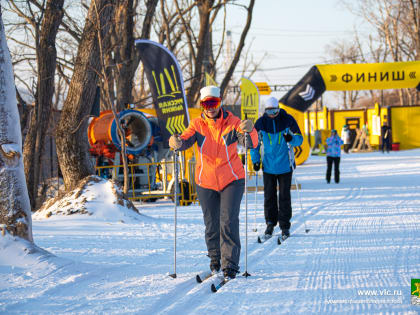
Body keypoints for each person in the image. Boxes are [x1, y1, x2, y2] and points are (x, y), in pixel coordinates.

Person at [168, 85, 258, 279]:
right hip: (205, 181)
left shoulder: (232, 122)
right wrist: (175, 142)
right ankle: (215, 260)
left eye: (213, 103)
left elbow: (250, 143)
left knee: (228, 221)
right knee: (211, 224)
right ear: (202, 105)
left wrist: (250, 131)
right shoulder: (197, 125)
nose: (210, 107)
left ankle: (230, 265)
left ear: (220, 102)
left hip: (232, 179)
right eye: (206, 103)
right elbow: (184, 141)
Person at [250, 97, 303, 239]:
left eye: (274, 111)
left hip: (285, 165)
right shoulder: (261, 123)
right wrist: (256, 161)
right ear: (265, 111)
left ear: (279, 109)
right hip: (268, 166)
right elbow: (254, 144)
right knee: (269, 196)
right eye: (269, 111)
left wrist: (291, 139)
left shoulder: (288, 120)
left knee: (284, 196)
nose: (272, 114)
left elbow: (300, 139)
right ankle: (270, 223)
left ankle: (285, 225)